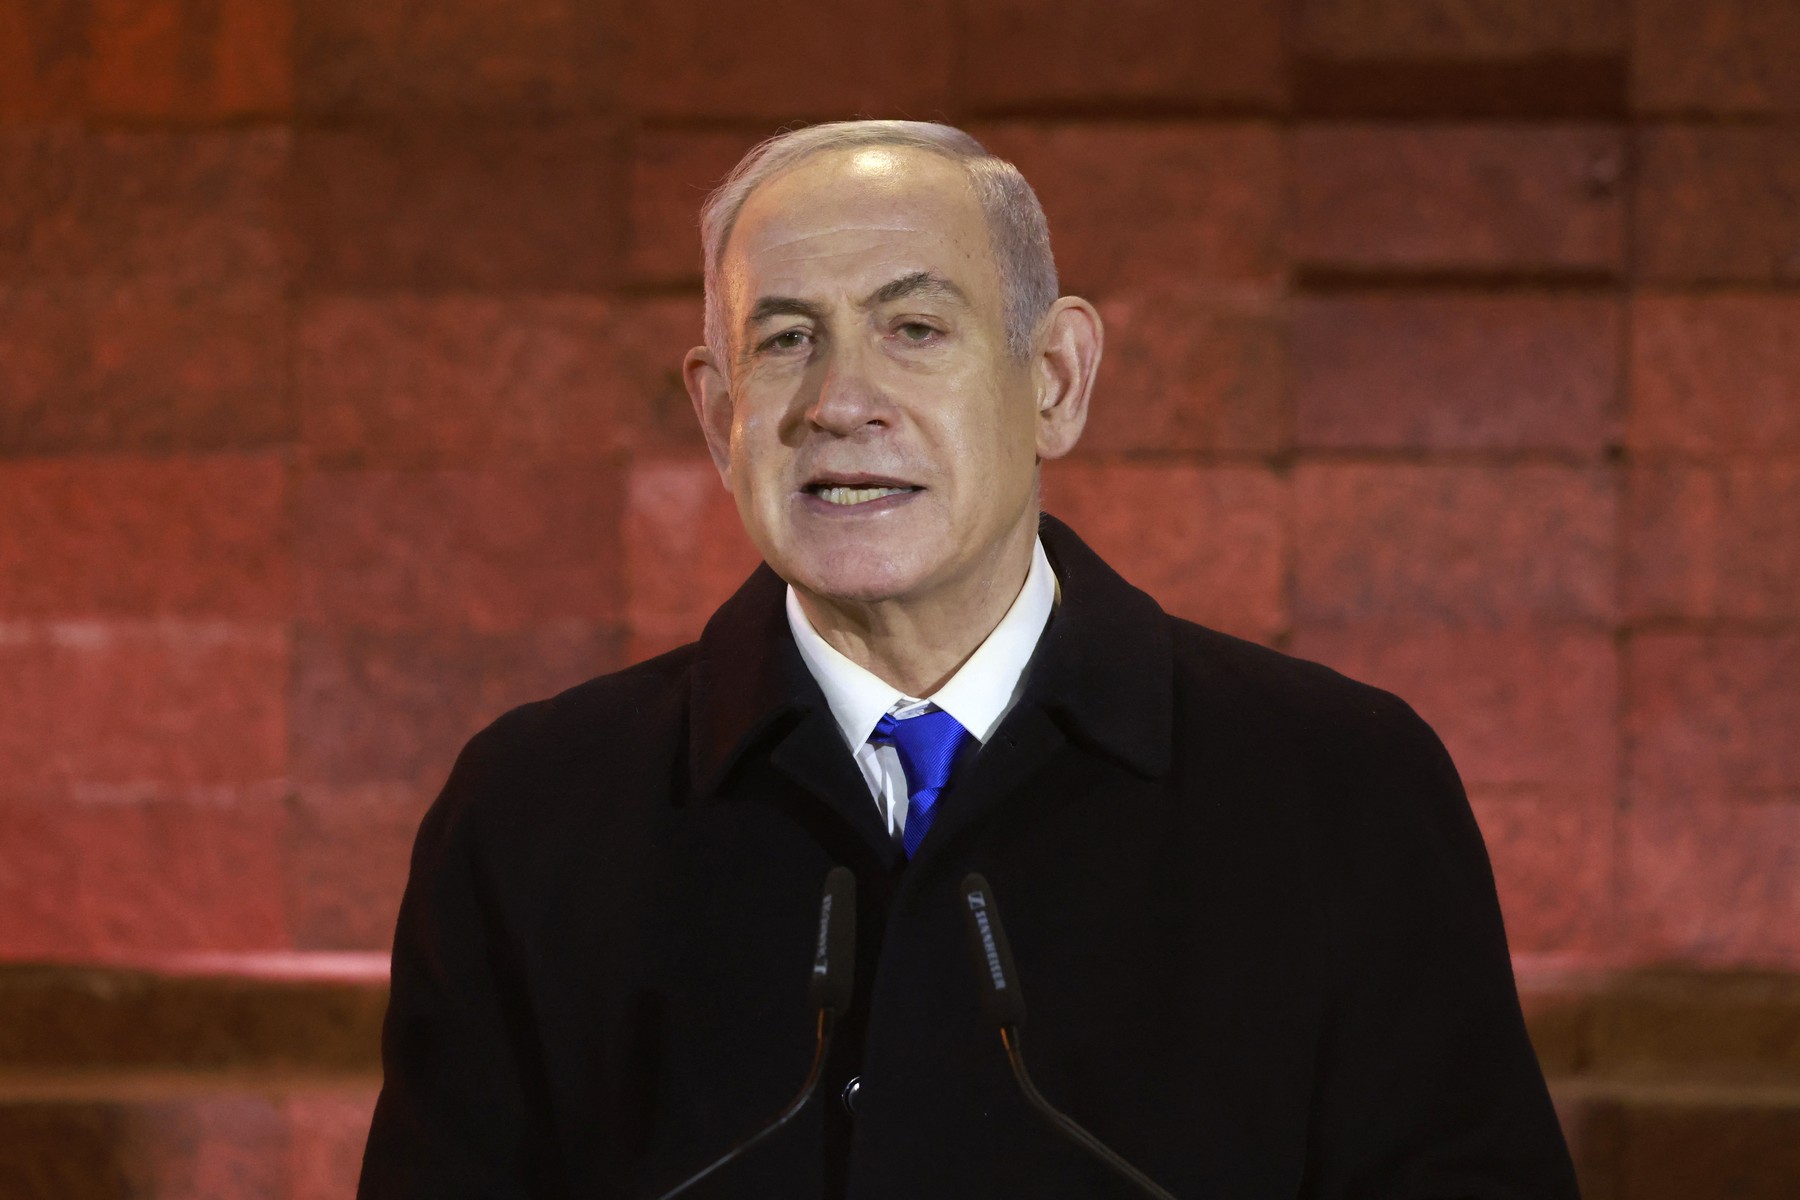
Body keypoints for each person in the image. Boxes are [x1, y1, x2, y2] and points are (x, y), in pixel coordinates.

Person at [357, 120, 1580, 1199]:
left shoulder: (1342, 786)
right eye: (786, 340)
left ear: (1054, 380)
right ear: (715, 410)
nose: (843, 400)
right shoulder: (531, 810)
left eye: (915, 328)